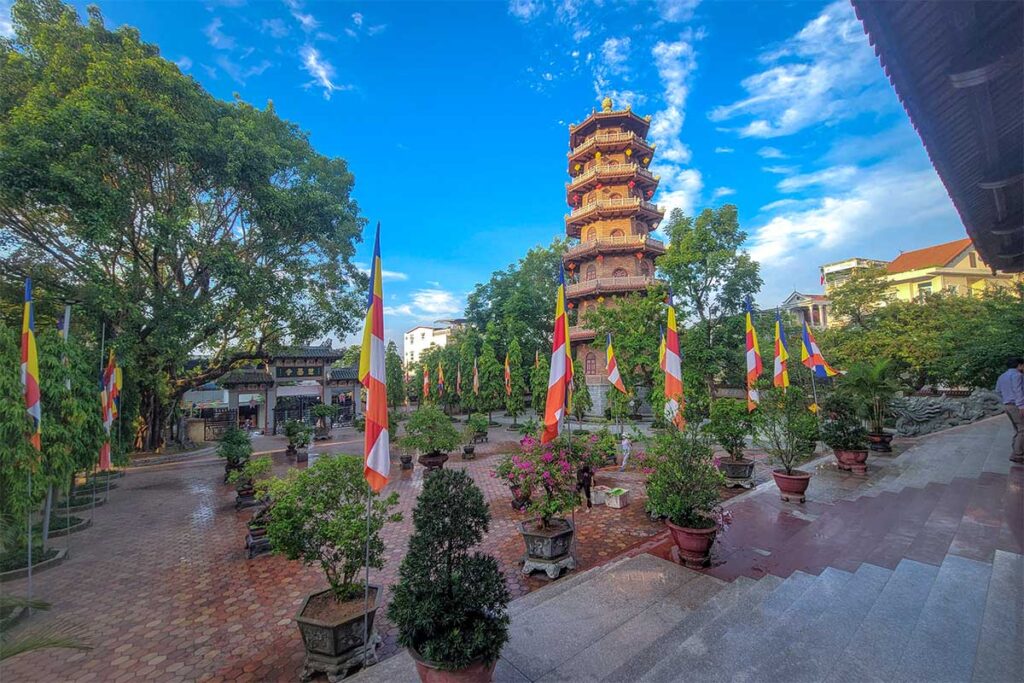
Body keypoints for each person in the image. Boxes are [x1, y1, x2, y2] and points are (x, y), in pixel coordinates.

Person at [995, 357, 1024, 463]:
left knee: (1017, 429)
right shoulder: (1018, 375)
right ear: (1019, 365)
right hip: (1016, 405)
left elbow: (997, 391)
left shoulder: (1002, 376)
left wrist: (1006, 398)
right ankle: (1018, 454)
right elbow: (1018, 391)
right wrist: (1021, 406)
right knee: (1022, 429)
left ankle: (1016, 451)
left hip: (1007, 405)